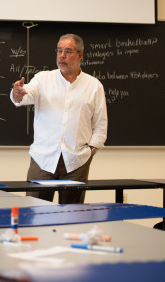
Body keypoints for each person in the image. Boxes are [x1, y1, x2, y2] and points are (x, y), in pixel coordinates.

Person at [11, 33, 108, 204]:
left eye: (68, 51)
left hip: (76, 161)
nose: (62, 56)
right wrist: (17, 93)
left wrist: (90, 151)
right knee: (35, 212)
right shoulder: (43, 78)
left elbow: (100, 125)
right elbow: (25, 96)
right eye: (59, 51)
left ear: (80, 55)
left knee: (72, 216)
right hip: (43, 159)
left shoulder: (94, 86)